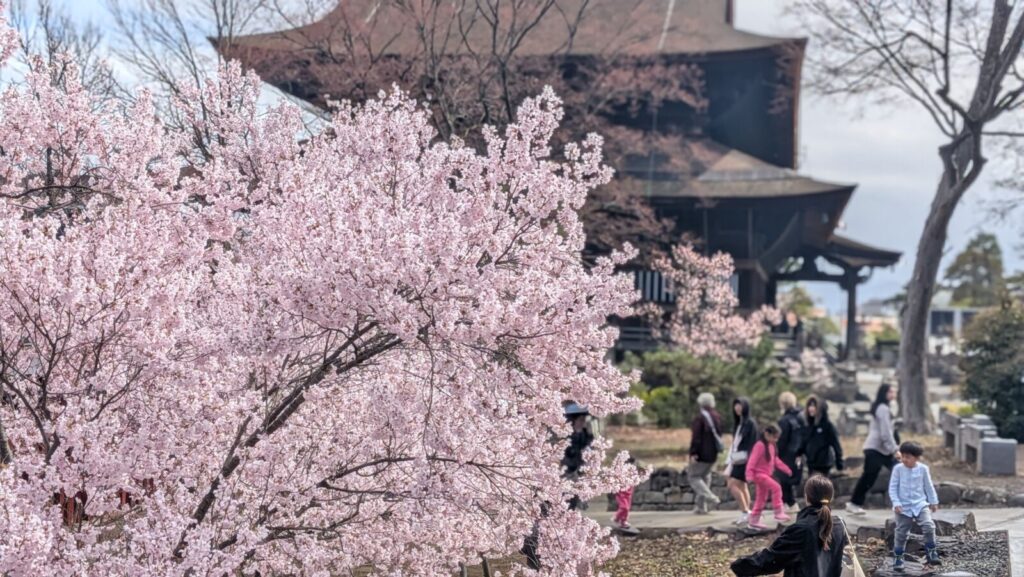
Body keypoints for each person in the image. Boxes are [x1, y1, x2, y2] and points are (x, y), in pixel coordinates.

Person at [730, 475, 849, 577]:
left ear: (807, 497)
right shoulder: (840, 524)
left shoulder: (801, 529)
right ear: (830, 498)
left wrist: (740, 565)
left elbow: (773, 558)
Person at [847, 383, 901, 515]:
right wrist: (895, 449)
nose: (893, 394)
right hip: (876, 449)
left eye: (894, 392)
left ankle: (906, 503)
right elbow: (885, 433)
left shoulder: (885, 407)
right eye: (890, 392)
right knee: (869, 477)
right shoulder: (882, 408)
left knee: (900, 472)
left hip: (882, 449)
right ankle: (854, 503)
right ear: (884, 394)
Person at [889, 441, 941, 571]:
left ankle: (931, 551)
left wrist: (933, 501)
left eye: (908, 457)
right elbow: (893, 488)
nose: (905, 460)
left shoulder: (923, 469)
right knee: (901, 533)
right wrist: (896, 502)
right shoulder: (898, 469)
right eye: (903, 456)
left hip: (920, 504)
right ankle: (898, 557)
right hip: (903, 507)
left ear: (916, 458)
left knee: (929, 526)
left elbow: (928, 486)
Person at [746, 424, 793, 530]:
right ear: (767, 434)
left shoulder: (771, 446)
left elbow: (775, 461)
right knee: (776, 487)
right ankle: (778, 512)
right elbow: (752, 461)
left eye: (777, 438)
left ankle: (754, 520)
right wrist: (749, 475)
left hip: (766, 474)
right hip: (759, 474)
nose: (776, 440)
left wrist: (786, 469)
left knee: (761, 498)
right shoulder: (760, 445)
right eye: (774, 437)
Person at [688, 392, 724, 515]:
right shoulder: (716, 416)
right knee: (705, 476)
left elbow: (696, 437)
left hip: (702, 453)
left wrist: (693, 453)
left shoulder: (700, 418)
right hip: (713, 453)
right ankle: (701, 507)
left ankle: (711, 497)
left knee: (693, 476)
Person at [725, 398, 757, 526]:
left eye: (740, 405)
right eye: (735, 405)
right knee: (742, 486)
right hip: (737, 459)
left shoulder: (750, 424)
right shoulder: (739, 423)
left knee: (732, 485)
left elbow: (753, 443)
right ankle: (748, 513)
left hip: (745, 461)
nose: (737, 408)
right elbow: (734, 444)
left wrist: (750, 462)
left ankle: (745, 511)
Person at [776, 392, 807, 512]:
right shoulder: (801, 417)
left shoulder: (784, 421)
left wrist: (776, 452)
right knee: (789, 480)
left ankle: (790, 503)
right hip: (798, 454)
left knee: (783, 480)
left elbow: (781, 440)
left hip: (786, 455)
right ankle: (789, 503)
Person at [800, 395, 844, 478]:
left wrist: (839, 462)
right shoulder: (807, 426)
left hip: (824, 463)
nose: (811, 408)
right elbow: (804, 443)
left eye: (814, 406)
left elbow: (836, 444)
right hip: (811, 462)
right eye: (810, 406)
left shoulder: (827, 426)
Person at [611, 456, 640, 535]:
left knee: (627, 509)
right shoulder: (622, 471)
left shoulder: (632, 472)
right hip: (621, 494)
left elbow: (634, 481)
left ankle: (623, 521)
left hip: (628, 494)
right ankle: (616, 518)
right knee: (624, 507)